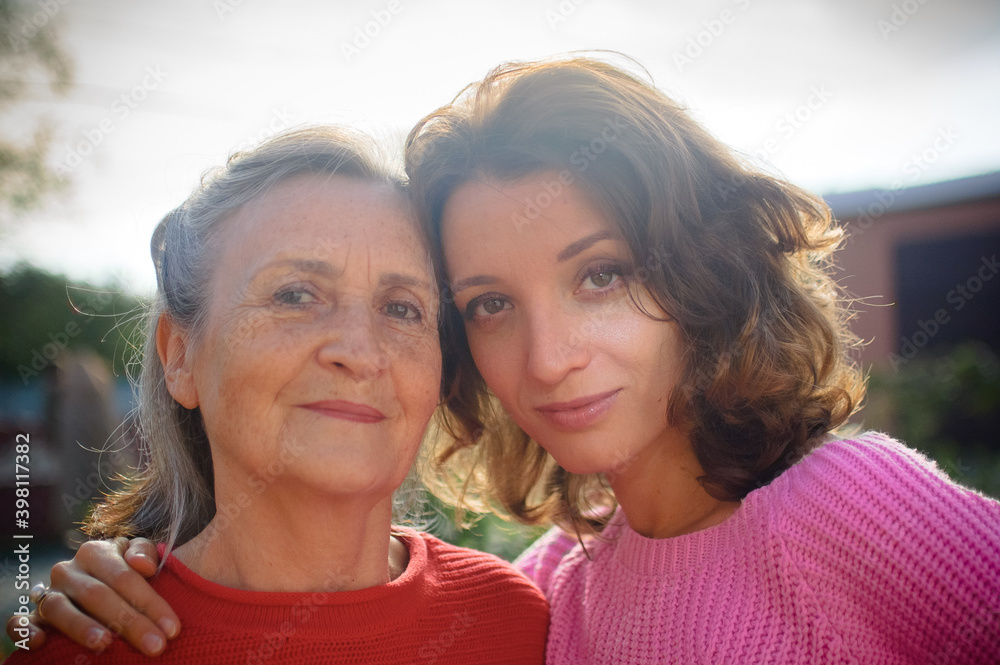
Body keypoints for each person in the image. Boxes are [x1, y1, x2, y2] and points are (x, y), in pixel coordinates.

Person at [11, 56, 1000, 663]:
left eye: (600, 274)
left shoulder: (844, 504)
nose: (550, 355)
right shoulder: (548, 596)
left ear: (697, 270)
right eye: (488, 303)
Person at [3, 126, 548, 663]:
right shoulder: (83, 649)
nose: (360, 351)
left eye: (402, 308)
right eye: (295, 295)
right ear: (180, 357)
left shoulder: (514, 621)